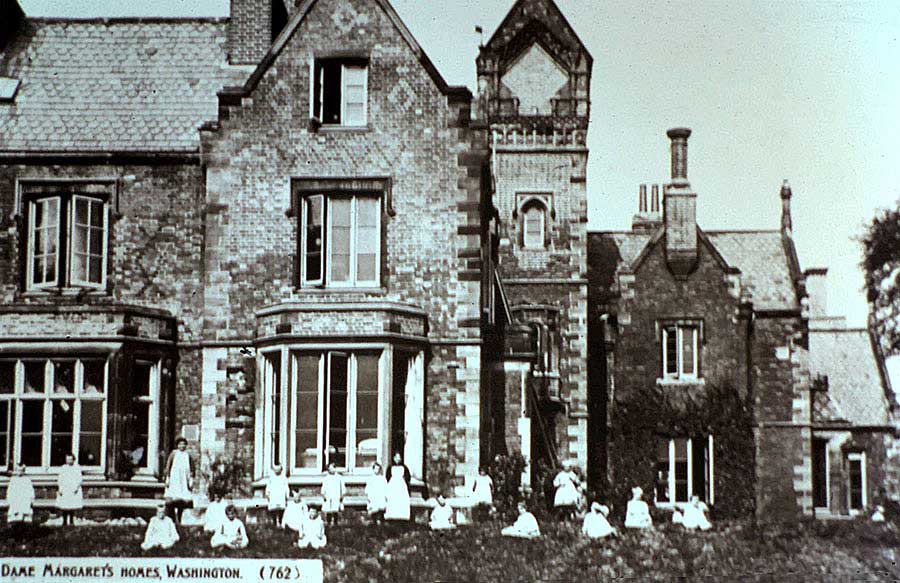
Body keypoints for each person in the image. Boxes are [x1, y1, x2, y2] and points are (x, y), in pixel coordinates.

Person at [164, 437, 194, 524]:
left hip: (184, 478)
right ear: (177, 445)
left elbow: (192, 468)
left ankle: (180, 518)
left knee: (183, 498)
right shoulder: (173, 454)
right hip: (175, 478)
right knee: (173, 499)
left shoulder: (187, 455)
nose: (182, 446)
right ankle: (173, 519)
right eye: (180, 444)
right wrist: (168, 478)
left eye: (183, 444)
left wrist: (191, 479)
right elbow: (168, 466)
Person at [56, 453, 83, 526]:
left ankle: (71, 520)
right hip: (65, 488)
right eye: (67, 459)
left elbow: (80, 479)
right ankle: (64, 520)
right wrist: (60, 488)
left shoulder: (76, 468)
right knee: (65, 505)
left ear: (73, 460)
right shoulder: (63, 468)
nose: (68, 461)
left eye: (70, 459)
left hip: (73, 488)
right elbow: (60, 479)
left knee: (72, 505)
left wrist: (76, 487)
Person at [385, 452, 411, 521]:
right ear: (393, 458)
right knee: (393, 499)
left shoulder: (404, 467)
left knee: (401, 500)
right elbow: (387, 477)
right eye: (396, 457)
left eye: (399, 458)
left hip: (401, 485)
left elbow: (408, 477)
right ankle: (392, 515)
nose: (397, 459)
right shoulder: (390, 467)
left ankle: (401, 515)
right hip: (393, 485)